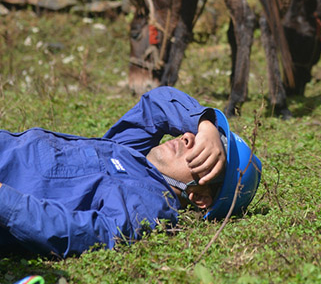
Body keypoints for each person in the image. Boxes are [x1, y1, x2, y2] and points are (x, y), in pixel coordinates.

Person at [0, 87, 261, 259]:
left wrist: (4, 199)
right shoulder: (131, 151)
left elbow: (77, 232)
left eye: (203, 154)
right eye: (197, 138)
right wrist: (205, 124)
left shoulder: (148, 204)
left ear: (199, 196)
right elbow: (157, 104)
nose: (187, 138)